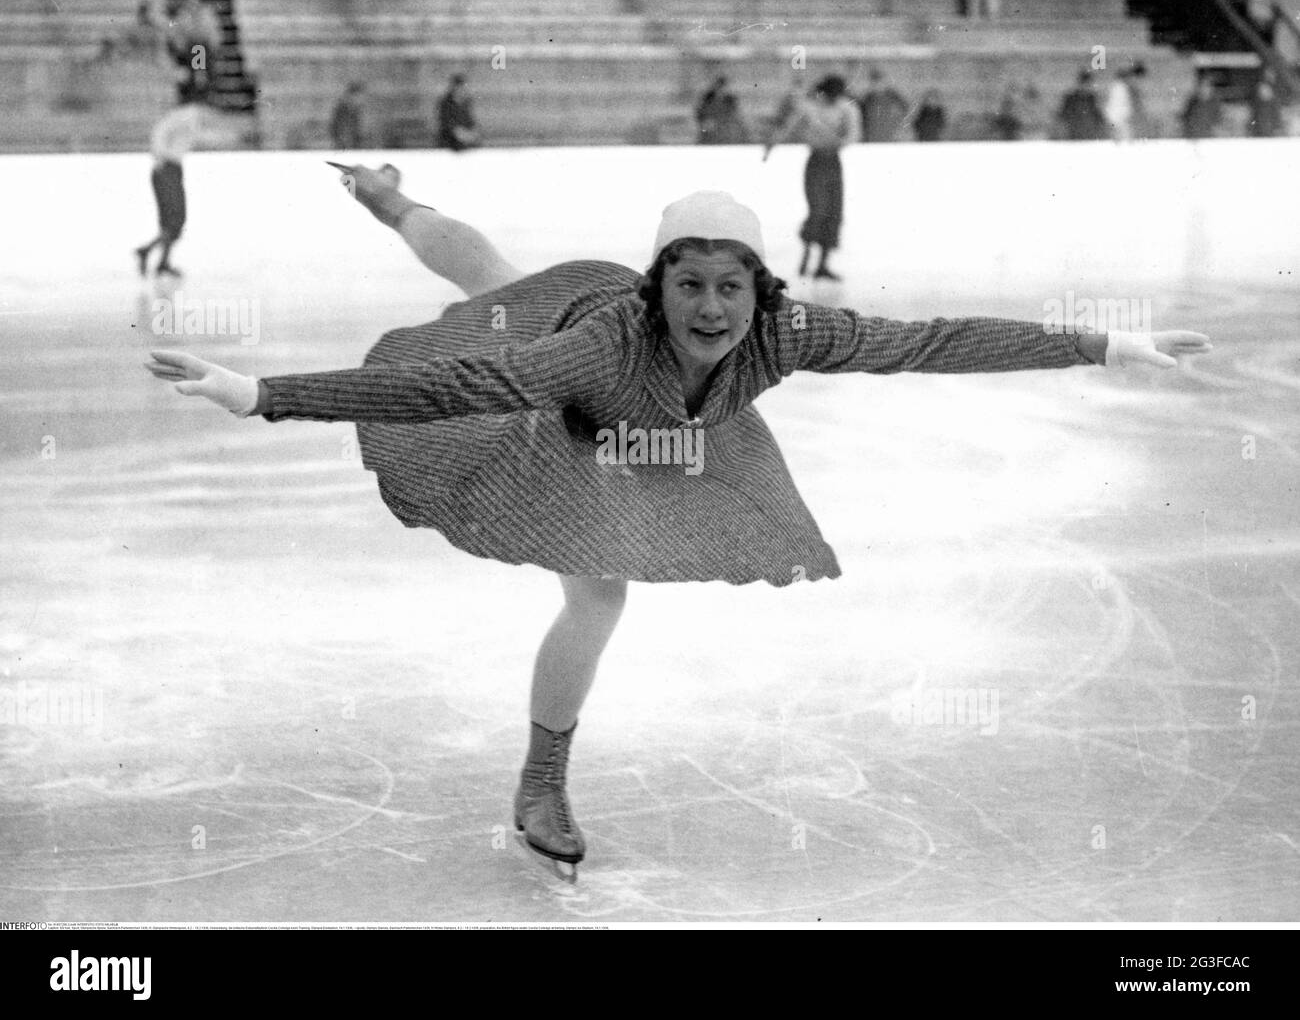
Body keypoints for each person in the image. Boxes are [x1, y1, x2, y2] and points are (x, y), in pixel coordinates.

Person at [145, 171, 1213, 880]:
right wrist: (262, 394)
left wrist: (1103, 347)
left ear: (764, 292)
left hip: (677, 436)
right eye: (690, 284)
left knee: (495, 276)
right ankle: (543, 778)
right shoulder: (602, 345)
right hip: (564, 415)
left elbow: (929, 341)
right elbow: (456, 384)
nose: (711, 307)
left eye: (731, 286)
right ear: (659, 290)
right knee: (502, 315)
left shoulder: (790, 333)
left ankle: (391, 195)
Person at [764, 74, 862, 279]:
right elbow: (788, 127)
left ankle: (823, 264)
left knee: (834, 211)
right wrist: (771, 145)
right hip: (816, 161)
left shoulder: (846, 109)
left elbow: (853, 134)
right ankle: (807, 252)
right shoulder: (809, 108)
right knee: (818, 209)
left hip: (833, 161)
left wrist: (839, 141)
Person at [133, 88, 232, 278]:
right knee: (175, 218)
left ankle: (159, 259)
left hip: (170, 167)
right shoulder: (187, 116)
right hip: (166, 168)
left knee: (173, 220)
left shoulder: (191, 119)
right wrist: (160, 155)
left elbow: (196, 137)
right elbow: (161, 131)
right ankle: (152, 254)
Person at [858, 67, 908, 142]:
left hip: (889, 129)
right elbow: (861, 115)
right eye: (874, 81)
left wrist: (898, 124)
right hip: (872, 131)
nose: (877, 84)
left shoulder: (892, 95)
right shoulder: (868, 97)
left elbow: (905, 108)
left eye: (879, 80)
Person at [1057, 70, 1106, 140]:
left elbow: (1098, 115)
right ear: (1080, 83)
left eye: (1088, 84)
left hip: (1089, 132)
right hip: (1073, 131)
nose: (1086, 87)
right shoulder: (1070, 98)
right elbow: (1063, 115)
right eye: (1085, 84)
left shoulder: (1092, 98)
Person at [437, 74, 479, 151]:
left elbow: (471, 121)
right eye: (461, 87)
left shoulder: (466, 103)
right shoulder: (445, 103)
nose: (463, 90)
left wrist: (472, 133)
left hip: (465, 139)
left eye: (464, 87)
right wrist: (462, 134)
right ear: (455, 87)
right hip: (449, 143)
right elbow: (448, 124)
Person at [330, 81, 368, 149]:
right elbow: (341, 130)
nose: (361, 100)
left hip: (352, 144)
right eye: (359, 97)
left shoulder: (354, 110)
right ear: (352, 95)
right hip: (346, 146)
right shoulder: (343, 110)